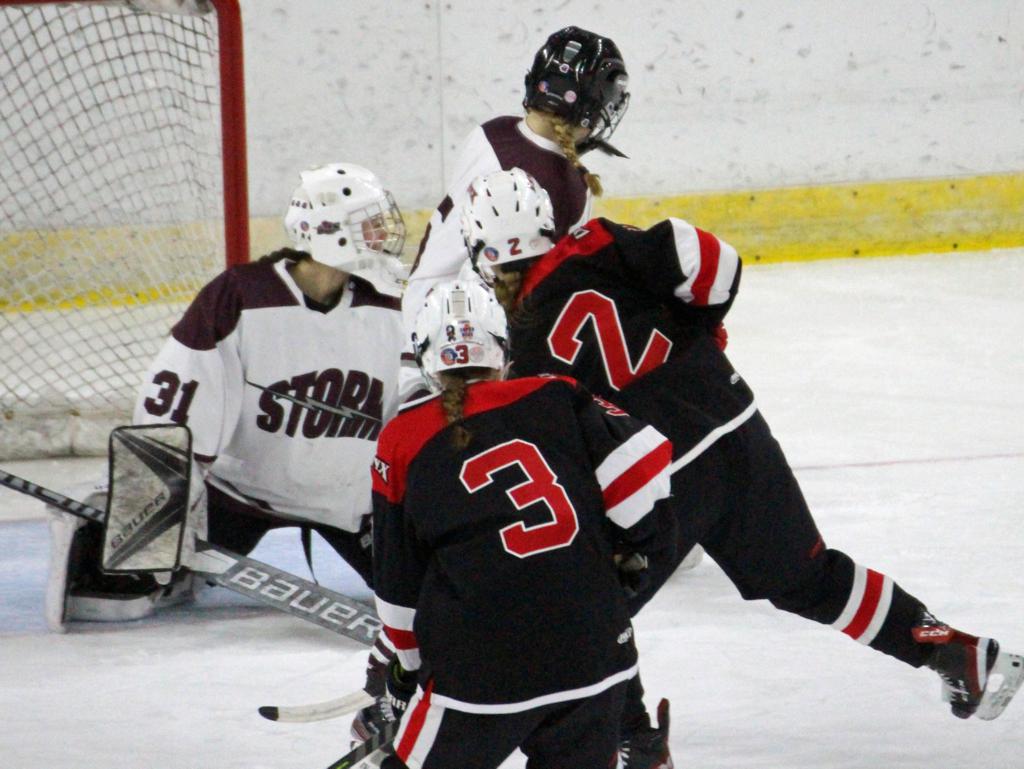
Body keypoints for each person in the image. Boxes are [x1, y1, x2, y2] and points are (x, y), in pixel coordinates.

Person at [458, 168, 1024, 747]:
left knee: (593, 621)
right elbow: (714, 262)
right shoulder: (600, 243)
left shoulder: (514, 346)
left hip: (658, 479)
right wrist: (698, 326)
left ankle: (638, 749)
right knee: (806, 575)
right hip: (732, 428)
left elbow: (559, 450)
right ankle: (955, 653)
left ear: (481, 256)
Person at [45, 162, 408, 646]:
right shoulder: (240, 296)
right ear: (328, 231)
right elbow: (176, 405)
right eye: (370, 223)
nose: (383, 235)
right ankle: (117, 549)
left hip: (350, 504)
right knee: (114, 597)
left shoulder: (393, 304)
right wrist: (154, 514)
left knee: (424, 594)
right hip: (239, 496)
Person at [368, 278, 675, 769]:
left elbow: (398, 590)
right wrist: (631, 555)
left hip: (479, 675)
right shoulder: (557, 393)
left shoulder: (402, 439)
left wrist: (407, 671)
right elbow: (645, 473)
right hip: (596, 657)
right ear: (503, 350)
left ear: (424, 360)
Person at [398, 25, 630, 402]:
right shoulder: (565, 187)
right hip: (475, 350)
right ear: (589, 109)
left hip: (429, 323)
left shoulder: (493, 132)